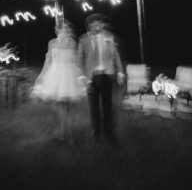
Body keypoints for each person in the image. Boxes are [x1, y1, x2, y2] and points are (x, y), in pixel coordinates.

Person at [31, 20, 85, 144]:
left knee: (70, 106)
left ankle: (67, 131)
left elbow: (77, 62)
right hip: (55, 74)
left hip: (70, 75)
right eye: (62, 28)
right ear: (58, 30)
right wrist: (41, 75)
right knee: (58, 105)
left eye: (67, 28)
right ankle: (63, 129)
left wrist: (81, 76)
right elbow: (48, 60)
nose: (64, 30)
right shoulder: (52, 42)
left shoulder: (73, 43)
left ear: (70, 30)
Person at [77, 14, 125, 143]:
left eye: (98, 24)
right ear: (89, 26)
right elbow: (79, 59)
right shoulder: (83, 39)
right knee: (93, 106)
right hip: (91, 78)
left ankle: (109, 131)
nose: (96, 26)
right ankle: (96, 130)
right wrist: (82, 76)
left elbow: (116, 56)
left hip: (106, 75)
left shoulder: (109, 37)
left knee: (107, 105)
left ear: (101, 24)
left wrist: (120, 72)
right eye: (93, 24)